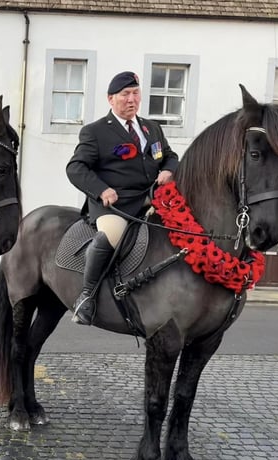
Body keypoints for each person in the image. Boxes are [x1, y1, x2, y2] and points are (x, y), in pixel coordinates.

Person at [66, 71, 179, 325]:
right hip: (114, 206)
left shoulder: (152, 129)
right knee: (112, 234)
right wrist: (102, 189)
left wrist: (168, 170)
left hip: (149, 199)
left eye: (135, 93)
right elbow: (75, 168)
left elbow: (169, 155)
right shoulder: (95, 132)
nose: (131, 99)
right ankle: (87, 297)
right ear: (111, 99)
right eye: (125, 94)